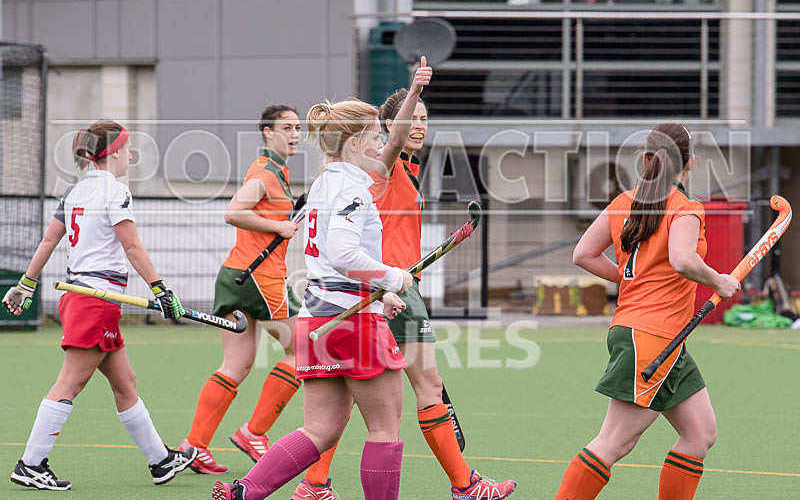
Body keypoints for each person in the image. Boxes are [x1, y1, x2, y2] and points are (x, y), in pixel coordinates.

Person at [210, 61, 431, 500]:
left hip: (318, 317)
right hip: (352, 325)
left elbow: (330, 262)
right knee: (385, 429)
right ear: (354, 144)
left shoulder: (325, 183)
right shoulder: (352, 189)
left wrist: (378, 295)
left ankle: (246, 490)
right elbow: (344, 254)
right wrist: (393, 277)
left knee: (320, 429)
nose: (382, 143)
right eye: (374, 137)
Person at [293, 87, 517, 500]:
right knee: (428, 388)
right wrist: (414, 90)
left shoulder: (405, 172)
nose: (418, 125)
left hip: (388, 289)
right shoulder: (383, 164)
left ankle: (313, 485)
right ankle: (464, 486)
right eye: (412, 118)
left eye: (425, 118)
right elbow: (392, 139)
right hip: (388, 290)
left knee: (352, 401)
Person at [3, 119, 197, 490]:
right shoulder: (115, 191)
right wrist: (161, 290)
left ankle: (161, 461)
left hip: (81, 297)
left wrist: (26, 284)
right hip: (96, 300)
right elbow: (132, 246)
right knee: (70, 383)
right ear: (114, 153)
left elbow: (48, 242)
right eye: (128, 149)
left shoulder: (74, 192)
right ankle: (31, 463)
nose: (131, 156)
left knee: (125, 383)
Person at [554, 123, 740, 500]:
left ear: (646, 160)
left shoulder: (625, 201)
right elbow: (683, 259)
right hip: (651, 339)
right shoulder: (686, 208)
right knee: (614, 442)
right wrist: (718, 281)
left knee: (700, 433)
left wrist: (628, 280)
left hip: (657, 337)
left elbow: (583, 255)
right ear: (690, 164)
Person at [177, 105, 305, 473]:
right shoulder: (264, 173)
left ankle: (194, 445)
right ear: (267, 132)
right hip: (260, 279)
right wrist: (277, 227)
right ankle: (254, 433)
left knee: (236, 365)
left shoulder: (277, 174)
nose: (294, 133)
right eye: (286, 127)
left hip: (237, 276)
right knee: (305, 352)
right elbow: (233, 211)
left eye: (298, 127)